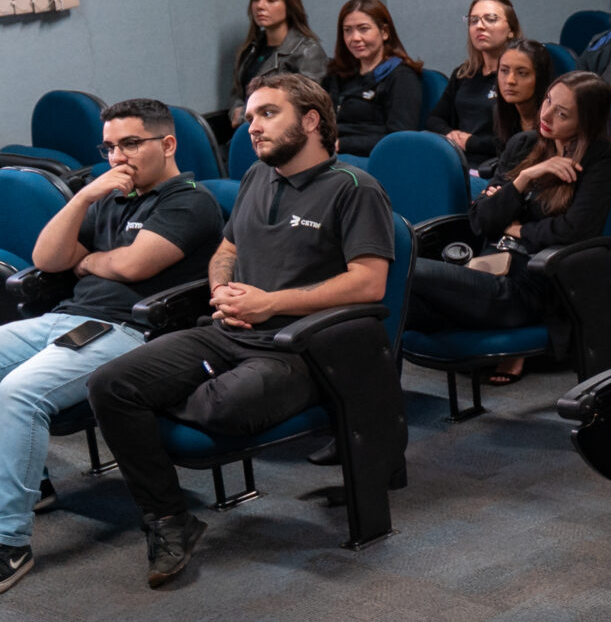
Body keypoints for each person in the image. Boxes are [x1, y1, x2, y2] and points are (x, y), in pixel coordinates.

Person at [85, 74, 398, 587]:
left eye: (268, 114)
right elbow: (226, 250)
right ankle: (170, 520)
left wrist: (270, 302)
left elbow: (369, 282)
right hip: (229, 330)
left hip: (300, 347)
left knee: (222, 407)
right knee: (109, 384)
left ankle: (173, 403)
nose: (252, 126)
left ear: (310, 120)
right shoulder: (256, 176)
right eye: (250, 116)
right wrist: (222, 290)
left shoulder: (354, 188)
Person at [0, 100, 228, 602]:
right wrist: (83, 197)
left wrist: (89, 262)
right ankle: (24, 484)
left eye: (131, 143)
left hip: (129, 331)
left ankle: (6, 542)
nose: (118, 156)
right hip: (64, 320)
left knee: (18, 393)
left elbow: (133, 267)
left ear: (168, 144)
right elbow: (48, 257)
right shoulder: (107, 196)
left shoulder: (190, 202)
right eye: (109, 147)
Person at [405, 71, 611, 382]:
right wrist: (524, 178)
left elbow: (576, 229)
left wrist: (519, 229)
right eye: (547, 101)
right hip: (485, 268)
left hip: (527, 286)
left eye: (562, 114)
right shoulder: (524, 144)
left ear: (586, 121)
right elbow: (482, 220)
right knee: (396, 303)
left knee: (402, 269)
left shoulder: (600, 157)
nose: (546, 116)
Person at [226, 0, 327, 135]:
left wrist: (247, 114)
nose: (260, 6)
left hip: (286, 136)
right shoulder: (250, 48)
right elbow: (238, 91)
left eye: (271, 0)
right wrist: (236, 111)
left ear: (289, 5)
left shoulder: (307, 51)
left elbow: (302, 104)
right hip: (247, 132)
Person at [428, 0, 522, 168]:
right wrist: (451, 135)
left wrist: (472, 143)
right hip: (457, 161)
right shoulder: (463, 73)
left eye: (490, 19)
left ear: (511, 30)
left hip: (496, 166)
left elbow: (520, 137)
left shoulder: (517, 77)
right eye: (473, 21)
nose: (480, 26)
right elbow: (435, 120)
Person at [325, 0, 424, 157]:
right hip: (333, 152)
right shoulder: (338, 74)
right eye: (347, 30)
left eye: (363, 29)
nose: (355, 38)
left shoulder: (402, 77)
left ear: (384, 32)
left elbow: (399, 138)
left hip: (371, 158)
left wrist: (343, 144)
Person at [470, 40, 552, 182]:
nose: (510, 80)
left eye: (522, 73)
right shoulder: (500, 113)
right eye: (504, 71)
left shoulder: (553, 120)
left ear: (540, 78)